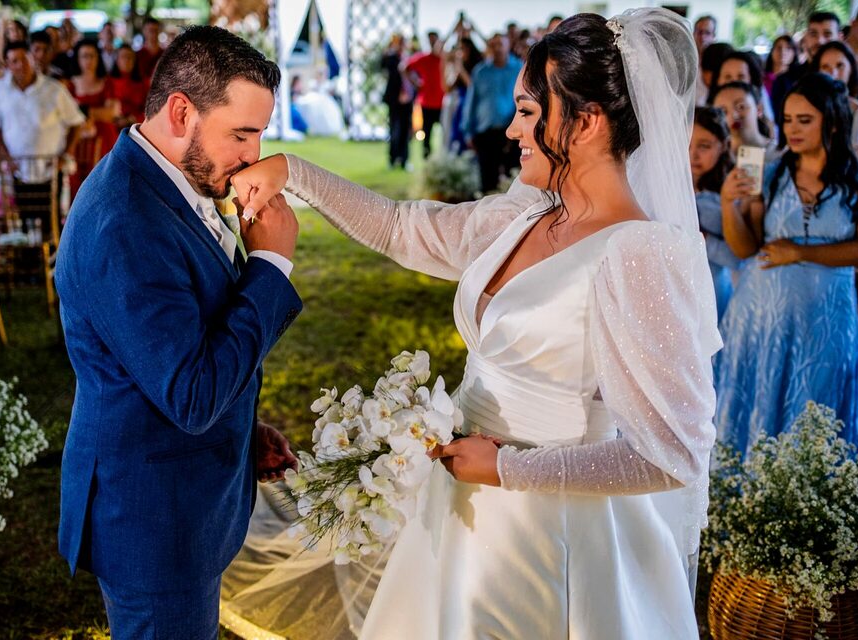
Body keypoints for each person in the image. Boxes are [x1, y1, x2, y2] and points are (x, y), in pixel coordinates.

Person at [231, 9, 719, 639]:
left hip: (554, 537)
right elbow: (402, 227)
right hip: (460, 507)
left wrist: (509, 470)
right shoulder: (527, 215)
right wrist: (294, 173)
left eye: (527, 112)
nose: (510, 128)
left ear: (588, 123)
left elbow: (674, 454)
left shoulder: (638, 254)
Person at [55, 25, 302, 640]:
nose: (254, 154)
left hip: (181, 493)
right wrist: (271, 266)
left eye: (261, 133)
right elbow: (190, 394)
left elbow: (179, 345)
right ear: (181, 111)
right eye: (241, 134)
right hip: (153, 521)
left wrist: (243, 428)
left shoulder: (173, 182)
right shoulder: (125, 221)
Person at [717, 72, 858, 456]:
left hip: (828, 322)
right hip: (762, 316)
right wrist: (728, 204)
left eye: (804, 120)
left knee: (817, 410)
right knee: (755, 409)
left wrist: (801, 252)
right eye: (786, 120)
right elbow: (746, 247)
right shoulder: (764, 167)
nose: (792, 129)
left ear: (831, 120)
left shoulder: (857, 177)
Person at [0, 41, 84, 233]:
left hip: (50, 168)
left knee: (53, 220)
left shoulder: (54, 88)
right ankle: (29, 260)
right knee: (21, 223)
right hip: (17, 169)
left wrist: (65, 154)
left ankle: (53, 260)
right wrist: (5, 157)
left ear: (32, 59)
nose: (20, 65)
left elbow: (76, 122)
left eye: (24, 59)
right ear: (7, 64)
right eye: (14, 61)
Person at [692, 106, 738, 321]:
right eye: (687, 145)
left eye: (704, 146)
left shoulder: (729, 194)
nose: (693, 155)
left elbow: (738, 258)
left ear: (723, 146)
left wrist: (703, 239)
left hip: (713, 288)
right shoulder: (663, 190)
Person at [462, 33, 521, 191]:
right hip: (486, 130)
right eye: (493, 45)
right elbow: (471, 102)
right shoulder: (481, 72)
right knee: (487, 179)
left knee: (513, 177)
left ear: (508, 46)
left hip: (512, 131)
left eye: (500, 44)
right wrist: (468, 131)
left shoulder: (519, 69)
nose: (497, 49)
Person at [66, 39, 119, 196]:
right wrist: (97, 111)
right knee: (77, 185)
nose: (88, 60)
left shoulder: (107, 82)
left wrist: (85, 111)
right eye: (84, 56)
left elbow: (111, 113)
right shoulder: (70, 85)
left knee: (104, 182)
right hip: (77, 142)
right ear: (78, 58)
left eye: (92, 56)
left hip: (104, 141)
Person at [770, 12, 840, 127]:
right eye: (813, 34)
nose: (820, 41)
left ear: (839, 37)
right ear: (805, 37)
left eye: (827, 34)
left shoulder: (851, 81)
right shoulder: (784, 81)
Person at [710, 82, 779, 162]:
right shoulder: (714, 158)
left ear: (759, 109)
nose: (734, 116)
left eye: (741, 107)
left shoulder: (779, 154)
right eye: (723, 111)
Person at [404, 31, 445, 159]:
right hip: (427, 102)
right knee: (427, 132)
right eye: (430, 40)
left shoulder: (444, 58)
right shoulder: (423, 58)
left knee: (446, 132)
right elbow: (405, 68)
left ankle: (444, 156)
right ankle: (427, 157)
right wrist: (415, 83)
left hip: (442, 102)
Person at [380, 33, 412, 169]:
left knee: (405, 130)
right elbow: (383, 67)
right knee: (394, 130)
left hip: (407, 100)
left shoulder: (408, 58)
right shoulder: (391, 58)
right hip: (394, 99)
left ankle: (404, 159)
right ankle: (393, 159)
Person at [109, 44, 148, 128]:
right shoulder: (108, 82)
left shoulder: (143, 83)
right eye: (123, 57)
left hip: (137, 126)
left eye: (130, 57)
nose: (127, 60)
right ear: (117, 60)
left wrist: (132, 119)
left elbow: (149, 109)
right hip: (113, 125)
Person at [693, 15, 717, 104]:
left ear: (714, 36)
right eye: (699, 32)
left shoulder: (719, 62)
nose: (702, 37)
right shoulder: (686, 60)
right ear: (693, 34)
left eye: (707, 33)